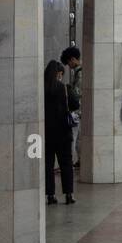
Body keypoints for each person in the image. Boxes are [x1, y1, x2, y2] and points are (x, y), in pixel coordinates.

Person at [44, 59, 75, 205]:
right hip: (63, 133)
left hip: (45, 135)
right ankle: (68, 195)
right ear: (58, 74)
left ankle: (50, 196)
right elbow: (75, 104)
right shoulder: (64, 88)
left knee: (47, 165)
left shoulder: (41, 89)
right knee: (66, 164)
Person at [60, 45, 82, 169]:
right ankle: (80, 160)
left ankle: (75, 160)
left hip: (78, 111)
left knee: (75, 137)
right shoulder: (80, 71)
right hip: (80, 110)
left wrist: (68, 90)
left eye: (68, 62)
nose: (69, 65)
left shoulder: (80, 72)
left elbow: (78, 93)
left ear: (73, 59)